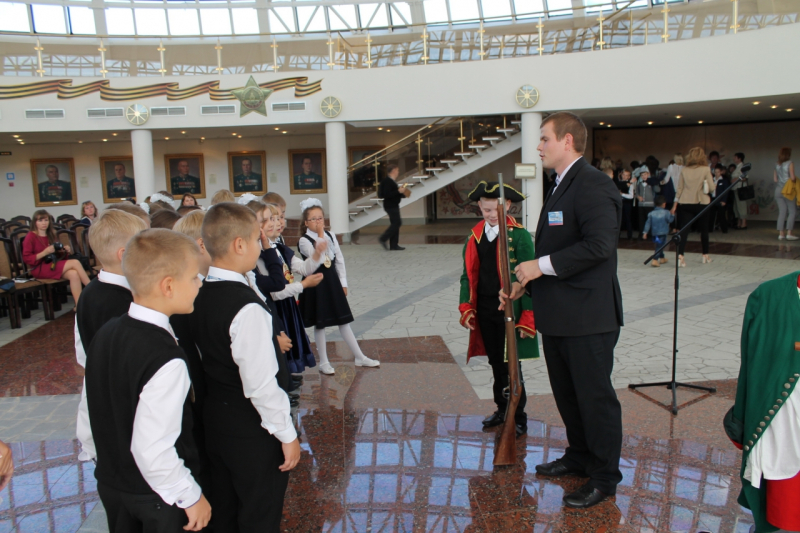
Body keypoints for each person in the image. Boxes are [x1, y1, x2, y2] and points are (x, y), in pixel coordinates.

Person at [509, 111, 624, 510]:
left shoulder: (594, 184)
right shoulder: (561, 184)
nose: (538, 146)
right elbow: (560, 245)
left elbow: (599, 246)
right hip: (560, 315)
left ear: (567, 141)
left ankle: (604, 477)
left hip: (588, 317)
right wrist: (528, 280)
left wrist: (538, 266)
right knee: (569, 396)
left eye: (544, 138)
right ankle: (579, 455)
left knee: (595, 400)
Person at [84, 229, 211, 532]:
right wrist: (190, 495)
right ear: (168, 286)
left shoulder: (106, 332)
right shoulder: (166, 358)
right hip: (159, 498)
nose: (199, 283)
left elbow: (87, 409)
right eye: (194, 277)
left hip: (114, 485)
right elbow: (152, 448)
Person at [189, 202, 300, 531]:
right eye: (255, 240)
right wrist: (286, 433)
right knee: (258, 512)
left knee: (226, 508)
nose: (259, 246)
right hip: (251, 429)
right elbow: (260, 383)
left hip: (216, 419)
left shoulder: (199, 293)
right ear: (239, 244)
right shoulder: (245, 307)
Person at [458, 181, 538, 437]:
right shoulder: (474, 236)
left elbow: (530, 279)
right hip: (485, 307)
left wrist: (528, 316)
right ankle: (502, 409)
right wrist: (466, 306)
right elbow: (466, 276)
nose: (492, 215)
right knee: (495, 361)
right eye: (486, 210)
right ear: (479, 207)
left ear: (508, 206)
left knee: (512, 365)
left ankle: (519, 415)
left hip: (510, 310)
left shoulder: (520, 236)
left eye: (496, 210)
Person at [727, 272, 800, 533]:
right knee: (782, 485)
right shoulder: (767, 296)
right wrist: (743, 417)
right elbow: (750, 369)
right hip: (785, 414)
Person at [75, 209, 148, 462]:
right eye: (143, 246)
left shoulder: (90, 291)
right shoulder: (123, 302)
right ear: (124, 254)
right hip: (122, 405)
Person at [297, 198, 380, 375]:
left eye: (320, 218)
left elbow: (339, 260)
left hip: (332, 281)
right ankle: (324, 362)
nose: (318, 222)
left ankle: (359, 356)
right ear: (306, 223)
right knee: (320, 324)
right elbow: (318, 258)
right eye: (313, 219)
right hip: (316, 284)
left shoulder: (331, 235)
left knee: (343, 320)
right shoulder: (304, 241)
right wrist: (320, 234)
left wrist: (343, 282)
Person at [255, 203, 325, 375]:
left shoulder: (279, 248)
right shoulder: (259, 254)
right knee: (279, 351)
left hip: (288, 305)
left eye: (278, 218)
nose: (277, 223)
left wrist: (316, 254)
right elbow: (275, 292)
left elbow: (304, 268)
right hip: (276, 307)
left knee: (291, 346)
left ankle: (289, 376)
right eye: (270, 219)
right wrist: (303, 285)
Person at [22, 210, 90, 308]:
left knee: (74, 274)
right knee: (75, 262)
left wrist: (63, 251)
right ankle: (92, 289)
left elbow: (58, 257)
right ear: (35, 222)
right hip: (39, 268)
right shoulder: (31, 236)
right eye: (40, 220)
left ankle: (79, 306)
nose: (44, 223)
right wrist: (44, 252)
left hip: (52, 264)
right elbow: (27, 258)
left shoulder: (51, 235)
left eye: (46, 220)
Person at [671, 146, 716, 267]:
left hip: (685, 202)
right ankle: (705, 255)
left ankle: (680, 255)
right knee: (704, 230)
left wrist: (675, 205)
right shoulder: (706, 169)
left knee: (684, 230)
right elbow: (712, 188)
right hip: (702, 202)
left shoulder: (684, 170)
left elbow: (679, 188)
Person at [378, 163, 409, 251]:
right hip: (390, 205)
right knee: (397, 223)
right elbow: (385, 194)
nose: (398, 172)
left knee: (395, 223)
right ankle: (383, 238)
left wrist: (403, 193)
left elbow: (394, 193)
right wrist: (398, 191)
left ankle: (394, 245)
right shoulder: (387, 181)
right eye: (397, 170)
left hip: (393, 204)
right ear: (393, 170)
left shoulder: (391, 181)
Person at [642, 195, 674, 267]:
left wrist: (645, 232)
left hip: (654, 233)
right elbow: (670, 220)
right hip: (663, 233)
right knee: (660, 246)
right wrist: (672, 215)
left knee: (659, 245)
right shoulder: (666, 212)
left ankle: (662, 258)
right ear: (664, 204)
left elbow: (647, 224)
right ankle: (655, 259)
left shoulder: (651, 213)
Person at [774, 147, 797, 241]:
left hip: (778, 190)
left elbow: (775, 179)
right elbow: (792, 178)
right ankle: (789, 233)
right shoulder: (790, 163)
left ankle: (781, 234)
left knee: (782, 211)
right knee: (792, 211)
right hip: (788, 190)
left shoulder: (776, 164)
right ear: (788, 154)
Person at [709, 163, 731, 234]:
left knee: (721, 215)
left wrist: (724, 200)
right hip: (712, 198)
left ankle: (724, 229)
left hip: (720, 199)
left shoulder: (724, 180)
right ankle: (710, 229)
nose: (716, 173)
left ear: (721, 172)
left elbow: (726, 191)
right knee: (711, 214)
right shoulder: (712, 179)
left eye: (718, 172)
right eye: (715, 172)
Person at [731, 152, 750, 230]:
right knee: (736, 206)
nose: (734, 158)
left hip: (740, 189)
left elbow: (745, 177)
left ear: (739, 158)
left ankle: (744, 223)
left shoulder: (742, 167)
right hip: (735, 188)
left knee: (742, 206)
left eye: (735, 157)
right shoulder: (737, 166)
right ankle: (739, 222)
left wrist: (737, 179)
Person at [619, 168, 636, 240]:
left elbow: (631, 196)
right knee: (619, 218)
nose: (624, 176)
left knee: (628, 219)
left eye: (626, 175)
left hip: (626, 203)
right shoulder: (619, 183)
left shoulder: (630, 184)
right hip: (619, 202)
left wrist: (622, 194)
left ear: (629, 177)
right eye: (623, 174)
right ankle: (618, 235)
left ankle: (629, 235)